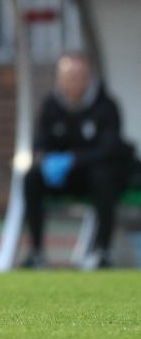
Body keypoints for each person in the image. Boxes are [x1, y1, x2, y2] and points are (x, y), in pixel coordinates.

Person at [22, 54, 135, 270]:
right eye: (68, 76)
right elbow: (40, 143)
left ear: (88, 78)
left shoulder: (106, 106)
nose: (73, 81)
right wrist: (46, 159)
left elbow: (109, 149)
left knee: (103, 177)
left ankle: (102, 250)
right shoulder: (51, 106)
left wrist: (73, 160)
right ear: (60, 79)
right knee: (31, 178)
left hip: (94, 176)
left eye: (79, 76)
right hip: (64, 177)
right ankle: (36, 252)